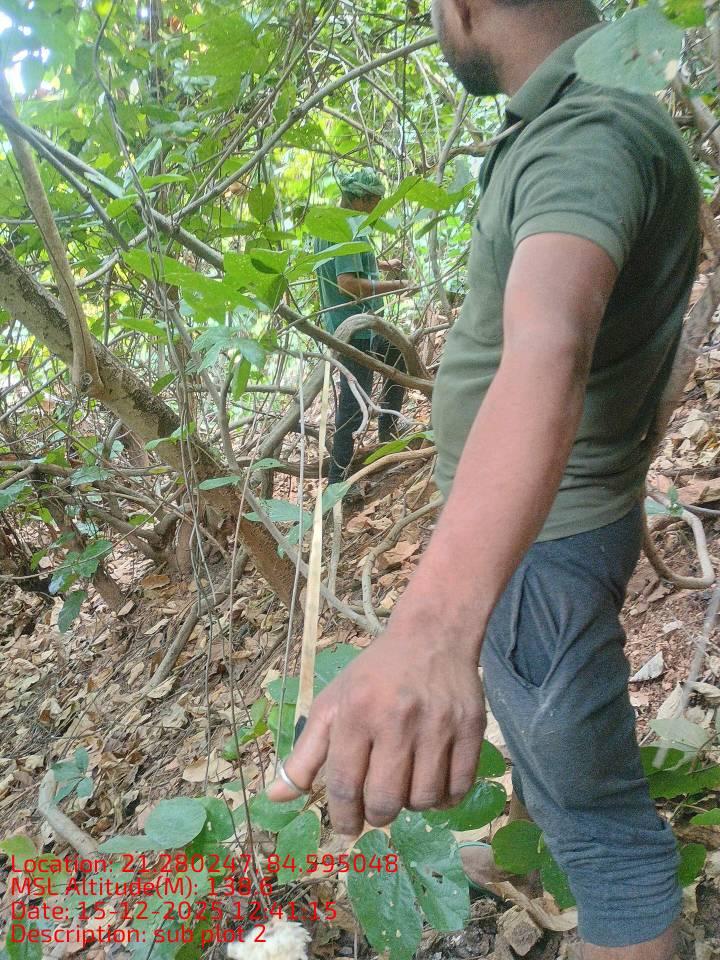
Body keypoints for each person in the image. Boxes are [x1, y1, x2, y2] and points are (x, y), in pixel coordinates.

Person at [270, 0, 699, 956]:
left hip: (543, 544)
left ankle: (599, 887)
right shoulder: (592, 112)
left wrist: (429, 634)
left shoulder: (585, 133)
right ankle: (542, 837)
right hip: (542, 522)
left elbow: (550, 347)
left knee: (608, 840)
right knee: (554, 753)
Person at [314, 168, 409, 484]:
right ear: (362, 199)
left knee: (398, 354)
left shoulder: (329, 222)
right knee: (353, 406)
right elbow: (348, 284)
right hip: (356, 331)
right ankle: (337, 482)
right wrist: (396, 286)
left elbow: (340, 260)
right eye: (376, 201)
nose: (378, 208)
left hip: (348, 325)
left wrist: (382, 265)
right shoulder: (349, 230)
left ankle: (387, 432)